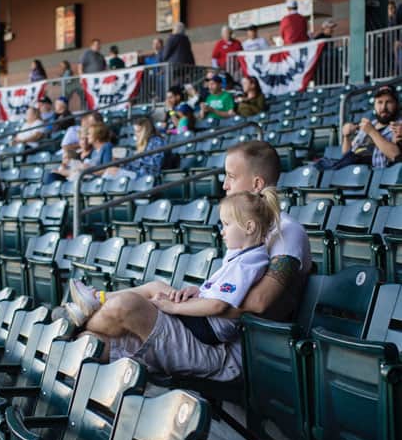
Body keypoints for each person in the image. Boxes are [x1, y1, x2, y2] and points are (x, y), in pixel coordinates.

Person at [54, 141, 311, 380]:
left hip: (224, 350)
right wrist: (197, 294)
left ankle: (73, 320)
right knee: (93, 341)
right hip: (203, 328)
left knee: (127, 305)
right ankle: (88, 310)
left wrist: (186, 305)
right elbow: (233, 286)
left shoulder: (285, 231)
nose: (225, 185)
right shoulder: (248, 229)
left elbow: (258, 302)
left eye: (231, 176)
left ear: (256, 184)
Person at [341, 85, 401, 168]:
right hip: (354, 174)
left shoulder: (399, 126)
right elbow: (347, 156)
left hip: (377, 176)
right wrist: (346, 137)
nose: (383, 107)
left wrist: (372, 132)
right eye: (380, 102)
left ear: (397, 104)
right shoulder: (370, 124)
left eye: (389, 102)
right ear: (374, 105)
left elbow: (395, 155)